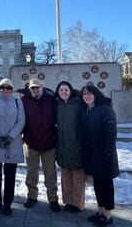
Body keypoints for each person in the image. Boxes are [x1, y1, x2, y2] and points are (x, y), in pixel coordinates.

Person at [80, 84, 119, 227]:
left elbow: (111, 132)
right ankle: (100, 210)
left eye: (89, 93)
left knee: (106, 184)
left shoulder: (105, 109)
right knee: (97, 184)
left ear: (96, 94)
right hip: (92, 154)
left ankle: (108, 214)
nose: (87, 96)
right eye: (84, 94)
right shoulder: (86, 110)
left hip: (104, 153)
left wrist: (108, 152)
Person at [0, 78, 25, 215]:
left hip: (12, 143)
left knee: (10, 177)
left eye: (8, 88)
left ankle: (7, 204)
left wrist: (10, 137)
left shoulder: (17, 101)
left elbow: (21, 121)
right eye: (2, 87)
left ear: (12, 89)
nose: (5, 90)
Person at [21, 78, 60, 212]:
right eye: (33, 88)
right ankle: (32, 196)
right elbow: (20, 119)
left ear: (42, 87)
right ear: (29, 89)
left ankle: (53, 199)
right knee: (32, 172)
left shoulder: (51, 100)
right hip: (31, 143)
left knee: (50, 173)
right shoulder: (24, 101)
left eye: (37, 87)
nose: (35, 90)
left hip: (48, 142)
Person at [55, 81, 86, 212]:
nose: (63, 92)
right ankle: (68, 201)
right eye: (61, 90)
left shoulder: (78, 103)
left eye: (66, 90)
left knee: (78, 179)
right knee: (66, 178)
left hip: (76, 145)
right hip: (62, 146)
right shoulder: (58, 104)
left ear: (70, 90)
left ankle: (78, 204)